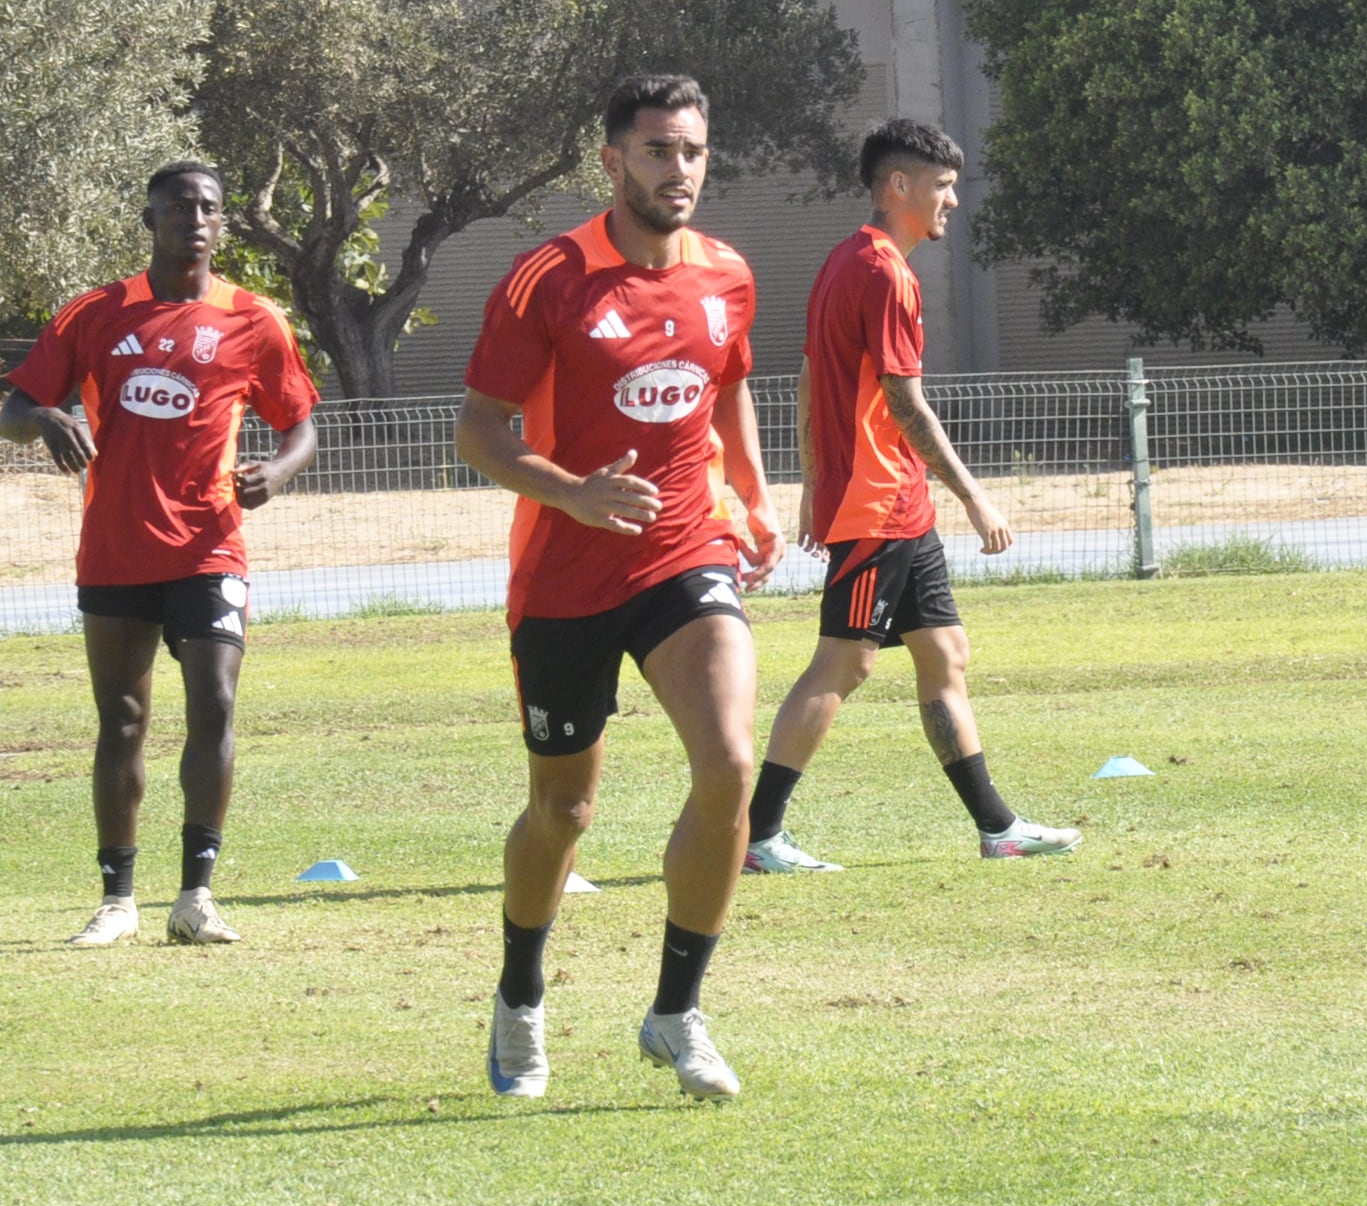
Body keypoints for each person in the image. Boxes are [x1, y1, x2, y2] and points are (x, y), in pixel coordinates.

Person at [455, 73, 781, 1102]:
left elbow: (728, 388)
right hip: (562, 579)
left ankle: (676, 1013)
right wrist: (575, 495)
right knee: (564, 808)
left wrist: (757, 499)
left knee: (731, 762)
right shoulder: (546, 279)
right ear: (612, 162)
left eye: (691, 151)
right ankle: (518, 997)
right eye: (655, 151)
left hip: (685, 554)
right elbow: (479, 432)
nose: (676, 170)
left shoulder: (726, 274)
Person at [745, 118, 1080, 872]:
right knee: (843, 664)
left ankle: (998, 827)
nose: (952, 201)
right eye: (942, 185)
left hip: (893, 502)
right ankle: (758, 836)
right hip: (877, 503)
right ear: (898, 187)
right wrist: (976, 498)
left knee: (945, 654)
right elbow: (906, 402)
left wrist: (808, 488)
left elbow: (810, 379)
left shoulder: (842, 261)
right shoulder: (887, 274)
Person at [2, 162, 320, 950]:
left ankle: (197, 896)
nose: (197, 219)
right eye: (180, 207)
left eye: (210, 207)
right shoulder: (97, 313)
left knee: (214, 703)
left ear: (223, 223)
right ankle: (117, 899)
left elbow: (302, 423)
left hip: (212, 544)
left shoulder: (255, 320)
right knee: (124, 719)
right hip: (114, 549)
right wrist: (45, 418)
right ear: (150, 219)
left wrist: (276, 472)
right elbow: (13, 410)